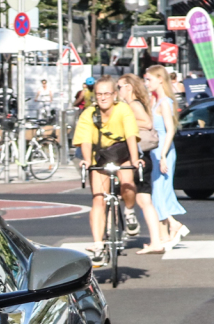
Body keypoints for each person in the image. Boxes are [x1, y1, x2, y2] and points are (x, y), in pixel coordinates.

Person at [72, 76, 141, 268]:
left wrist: (135, 160)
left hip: (121, 153)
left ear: (115, 95)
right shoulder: (88, 114)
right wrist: (86, 160)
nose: (103, 98)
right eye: (99, 94)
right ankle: (98, 246)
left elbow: (130, 135)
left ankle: (129, 211)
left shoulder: (123, 110)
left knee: (127, 183)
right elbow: (85, 140)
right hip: (100, 157)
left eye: (107, 94)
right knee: (98, 199)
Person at [116, 75, 165, 253]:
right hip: (143, 157)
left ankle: (111, 239)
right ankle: (156, 242)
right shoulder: (134, 104)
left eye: (119, 86)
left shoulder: (133, 105)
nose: (117, 90)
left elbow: (147, 123)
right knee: (145, 200)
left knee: (118, 194)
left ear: (128, 87)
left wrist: (123, 121)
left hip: (136, 156)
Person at [144, 65, 189, 247]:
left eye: (149, 79)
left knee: (160, 191)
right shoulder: (154, 101)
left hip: (164, 151)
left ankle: (174, 224)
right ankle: (165, 233)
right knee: (157, 193)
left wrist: (163, 155)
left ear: (160, 79)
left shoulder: (165, 102)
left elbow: (171, 130)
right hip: (155, 151)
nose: (147, 83)